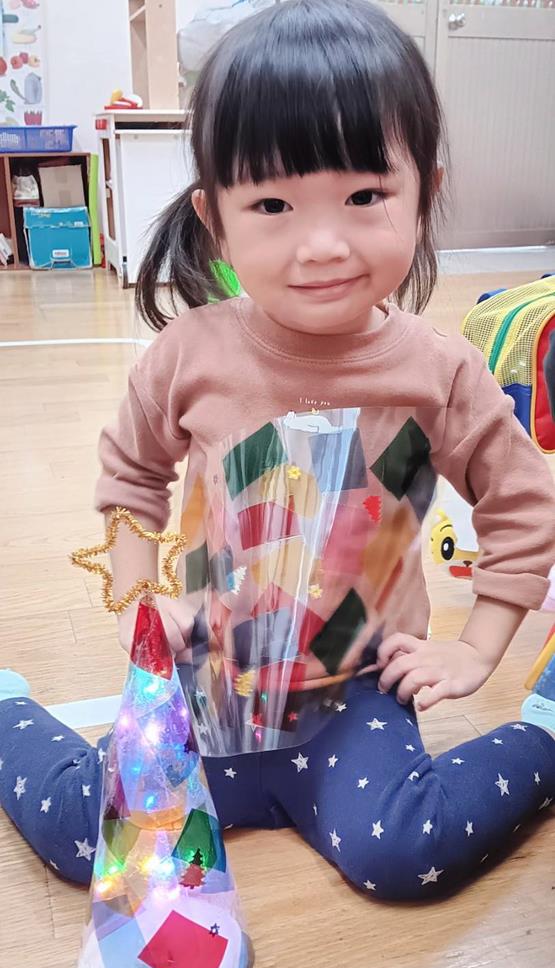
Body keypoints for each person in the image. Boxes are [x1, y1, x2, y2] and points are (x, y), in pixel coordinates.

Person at [1, 0, 554, 900]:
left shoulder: (438, 370)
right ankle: (6, 707)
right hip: (210, 680)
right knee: (85, 835)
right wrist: (142, 605)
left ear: (424, 192)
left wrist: (476, 649)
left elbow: (521, 500)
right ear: (214, 218)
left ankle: (544, 729)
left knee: (400, 853)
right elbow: (132, 475)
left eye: (365, 196)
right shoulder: (190, 355)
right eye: (272, 204)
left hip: (358, 689)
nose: (322, 244)